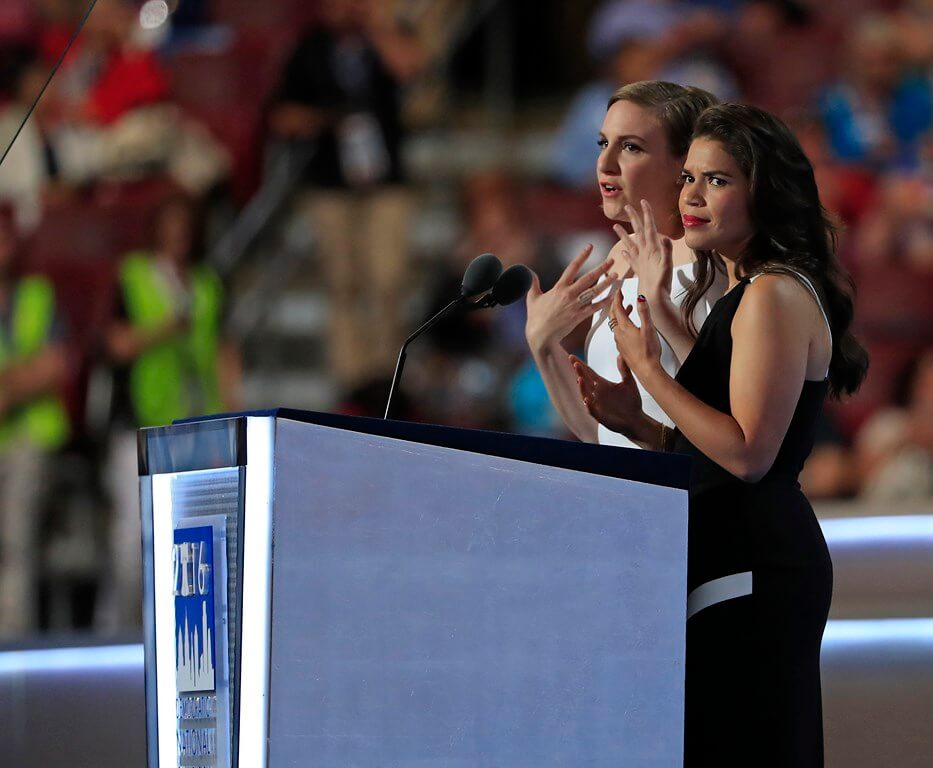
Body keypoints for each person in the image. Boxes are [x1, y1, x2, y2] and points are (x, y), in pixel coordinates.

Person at [574, 103, 869, 765]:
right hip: (736, 558)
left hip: (755, 563)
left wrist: (650, 368)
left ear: (763, 190)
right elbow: (716, 419)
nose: (692, 197)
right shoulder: (752, 291)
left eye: (717, 180)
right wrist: (639, 425)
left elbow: (747, 454)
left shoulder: (771, 293)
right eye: (688, 179)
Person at [527, 80, 726, 448]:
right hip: (632, 498)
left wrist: (661, 307)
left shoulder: (717, 261)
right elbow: (599, 433)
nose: (604, 163)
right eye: (604, 144)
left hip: (692, 496)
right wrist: (543, 343)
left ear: (684, 164)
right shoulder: (619, 258)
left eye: (631, 147)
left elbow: (726, 416)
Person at [98, 193, 241, 631]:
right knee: (132, 537)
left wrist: (233, 413)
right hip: (140, 422)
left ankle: (178, 630)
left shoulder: (207, 283)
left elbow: (222, 349)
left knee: (195, 536)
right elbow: (115, 345)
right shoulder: (134, 276)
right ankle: (119, 628)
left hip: (198, 425)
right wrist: (165, 329)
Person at [268, 0, 425, 389]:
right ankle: (352, 382)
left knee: (388, 277)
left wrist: (373, 26)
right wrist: (324, 121)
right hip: (331, 185)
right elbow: (282, 116)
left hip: (385, 182)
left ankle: (388, 377)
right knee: (342, 284)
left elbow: (411, 67)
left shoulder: (382, 39)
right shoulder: (309, 48)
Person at [0, 208, 71, 636]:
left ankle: (10, 643)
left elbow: (56, 364)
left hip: (30, 435)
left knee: (14, 541)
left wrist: (9, 388)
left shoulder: (36, 296)